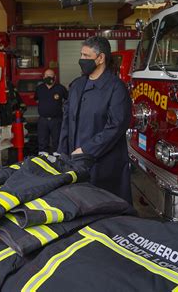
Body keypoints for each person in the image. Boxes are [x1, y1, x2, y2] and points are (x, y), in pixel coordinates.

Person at [57, 36, 132, 203]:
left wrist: (87, 150)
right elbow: (67, 121)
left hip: (104, 165)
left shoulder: (116, 88)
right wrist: (62, 153)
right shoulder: (77, 85)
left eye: (86, 56)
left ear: (100, 58)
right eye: (81, 55)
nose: (81, 60)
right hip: (75, 162)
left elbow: (116, 126)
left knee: (105, 209)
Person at [34, 69, 67, 155]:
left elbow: (68, 100)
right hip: (43, 120)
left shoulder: (61, 88)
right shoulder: (39, 88)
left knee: (57, 141)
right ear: (44, 77)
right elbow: (36, 100)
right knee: (42, 141)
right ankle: (43, 160)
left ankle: (57, 161)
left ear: (55, 77)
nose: (49, 77)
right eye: (47, 76)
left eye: (51, 75)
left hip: (56, 120)